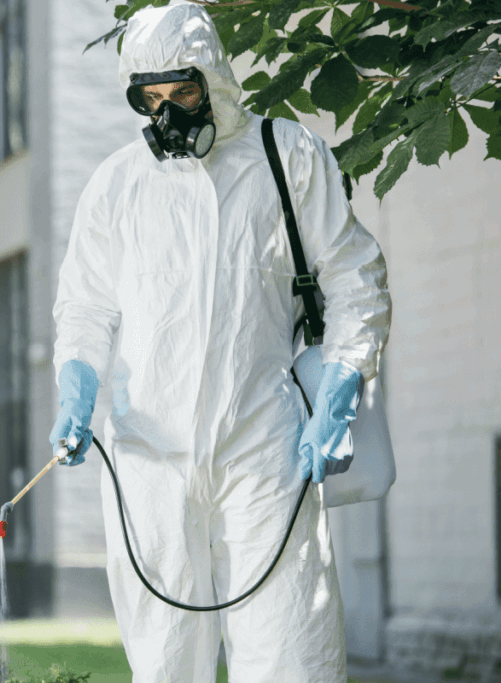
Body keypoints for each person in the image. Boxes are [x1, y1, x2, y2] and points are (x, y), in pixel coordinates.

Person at [49, 2, 391, 681]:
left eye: (183, 92)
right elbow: (85, 308)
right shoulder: (117, 185)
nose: (168, 112)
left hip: (265, 446)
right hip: (149, 457)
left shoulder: (287, 157)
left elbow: (356, 278)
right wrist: (75, 389)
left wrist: (343, 390)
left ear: (214, 79)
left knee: (292, 652)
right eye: (152, 99)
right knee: (167, 661)